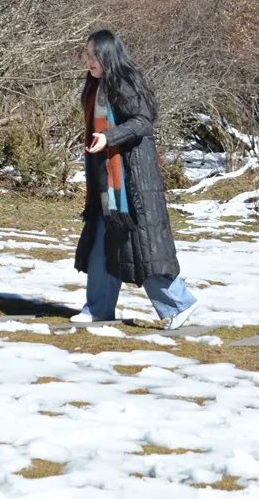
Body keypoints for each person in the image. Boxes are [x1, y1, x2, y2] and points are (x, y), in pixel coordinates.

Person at [72, 28, 199, 330]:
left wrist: (108, 137)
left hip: (133, 183)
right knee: (102, 243)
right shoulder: (95, 87)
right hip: (108, 183)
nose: (89, 60)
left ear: (108, 55)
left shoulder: (124, 81)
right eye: (86, 54)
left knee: (142, 249)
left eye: (94, 54)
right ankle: (98, 309)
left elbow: (143, 122)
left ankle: (179, 304)